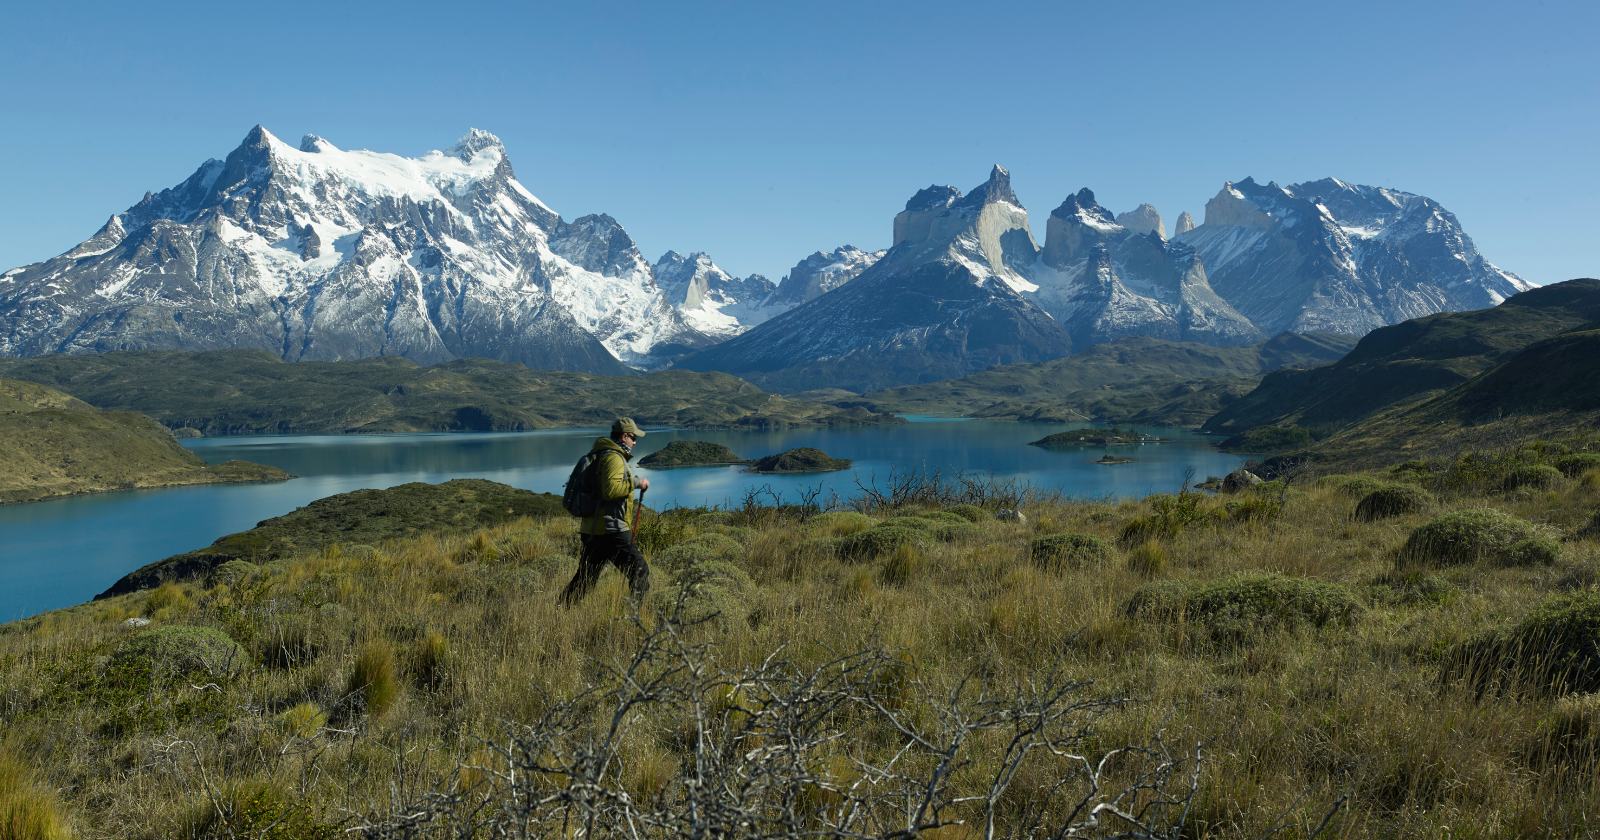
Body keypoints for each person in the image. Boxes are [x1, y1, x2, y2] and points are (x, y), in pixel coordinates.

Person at [559, 417, 652, 606]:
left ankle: (561, 609)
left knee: (585, 579)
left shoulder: (600, 454)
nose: (635, 442)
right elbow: (610, 490)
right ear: (624, 436)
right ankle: (633, 616)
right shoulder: (613, 457)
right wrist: (637, 483)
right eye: (634, 438)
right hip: (612, 530)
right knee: (640, 570)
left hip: (592, 529)